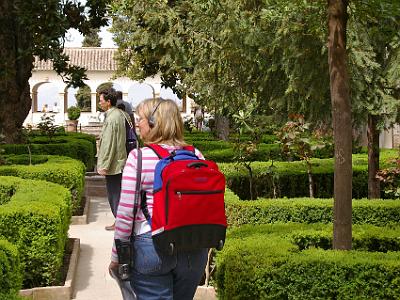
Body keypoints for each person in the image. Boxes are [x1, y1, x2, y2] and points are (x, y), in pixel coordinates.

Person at [109, 98, 208, 300]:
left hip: (152, 246)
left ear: (154, 122)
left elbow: (126, 214)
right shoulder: (196, 155)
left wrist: (117, 255)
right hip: (194, 247)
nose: (138, 124)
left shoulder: (139, 158)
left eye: (141, 119)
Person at [97, 88, 127, 231]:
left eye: (101, 100)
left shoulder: (112, 117)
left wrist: (104, 165)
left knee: (114, 195)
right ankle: (120, 222)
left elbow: (109, 144)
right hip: (119, 162)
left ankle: (120, 223)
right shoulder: (119, 114)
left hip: (114, 164)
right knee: (118, 194)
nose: (99, 103)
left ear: (108, 102)